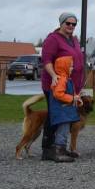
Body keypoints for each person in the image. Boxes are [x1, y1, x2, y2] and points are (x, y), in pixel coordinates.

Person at [40, 13, 86, 161]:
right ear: (61, 23)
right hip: (56, 84)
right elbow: (46, 60)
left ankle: (61, 147)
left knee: (67, 117)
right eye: (68, 23)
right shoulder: (52, 39)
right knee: (56, 116)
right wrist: (54, 75)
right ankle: (48, 149)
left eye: (74, 24)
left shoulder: (74, 40)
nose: (71, 26)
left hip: (71, 86)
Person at [48, 55, 83, 163]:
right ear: (64, 67)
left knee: (64, 130)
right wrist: (72, 98)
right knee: (62, 131)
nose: (72, 68)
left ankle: (62, 150)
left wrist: (76, 98)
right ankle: (58, 152)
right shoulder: (62, 79)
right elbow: (58, 94)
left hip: (65, 111)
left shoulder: (66, 79)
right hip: (62, 112)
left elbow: (67, 94)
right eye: (71, 66)